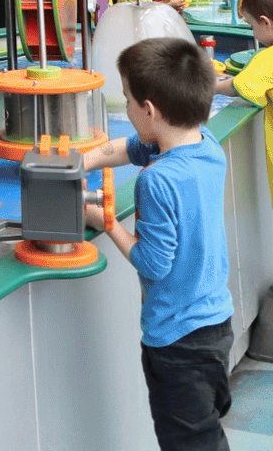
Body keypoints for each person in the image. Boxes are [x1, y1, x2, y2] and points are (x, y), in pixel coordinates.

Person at [83, 39, 232, 451]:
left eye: (129, 101)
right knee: (205, 434)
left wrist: (106, 222)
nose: (126, 109)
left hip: (177, 341)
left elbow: (152, 262)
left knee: (188, 444)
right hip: (217, 326)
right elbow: (135, 148)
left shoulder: (157, 180)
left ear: (148, 110)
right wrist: (84, 162)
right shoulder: (208, 147)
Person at [217, 0, 273, 204]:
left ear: (265, 22)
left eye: (251, 25)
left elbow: (235, 86)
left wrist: (209, 83)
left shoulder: (267, 59)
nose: (252, 32)